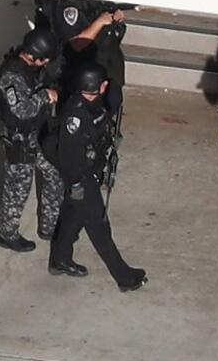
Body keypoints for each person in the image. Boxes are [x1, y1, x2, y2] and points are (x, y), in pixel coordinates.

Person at [46, 61, 146, 292]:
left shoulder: (94, 105)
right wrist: (77, 184)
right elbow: (69, 156)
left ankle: (60, 259)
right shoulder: (76, 116)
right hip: (80, 176)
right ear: (101, 86)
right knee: (98, 225)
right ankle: (124, 277)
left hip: (90, 169)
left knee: (74, 214)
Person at [0, 28, 64, 252]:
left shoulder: (29, 68)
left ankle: (49, 226)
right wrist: (46, 96)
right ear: (35, 57)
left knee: (54, 173)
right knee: (17, 190)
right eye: (44, 60)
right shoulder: (12, 76)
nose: (45, 64)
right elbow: (22, 110)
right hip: (20, 140)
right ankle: (7, 234)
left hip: (36, 134)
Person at [50, 0, 129, 116]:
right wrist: (100, 22)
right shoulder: (70, 4)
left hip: (108, 69)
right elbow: (77, 43)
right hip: (86, 76)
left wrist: (114, 18)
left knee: (110, 106)